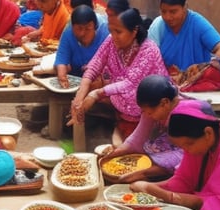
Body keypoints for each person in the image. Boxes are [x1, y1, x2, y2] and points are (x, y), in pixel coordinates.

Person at [68, 8, 169, 141]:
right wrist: (79, 98)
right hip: (122, 96)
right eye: (111, 31)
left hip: (150, 102)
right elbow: (94, 65)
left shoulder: (148, 49)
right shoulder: (112, 40)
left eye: (119, 32)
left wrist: (95, 94)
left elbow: (129, 83)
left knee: (120, 92)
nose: (113, 36)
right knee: (91, 86)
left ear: (134, 32)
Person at [99, 75, 183, 183]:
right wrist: (115, 153)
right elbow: (138, 138)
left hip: (179, 165)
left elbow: (183, 157)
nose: (148, 115)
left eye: (150, 112)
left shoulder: (183, 115)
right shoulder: (155, 108)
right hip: (158, 155)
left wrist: (143, 173)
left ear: (164, 103)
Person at [148, 0, 220, 91]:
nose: (168, 17)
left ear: (185, 7)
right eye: (163, 11)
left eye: (173, 12)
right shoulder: (158, 26)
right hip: (168, 81)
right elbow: (150, 59)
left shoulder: (197, 23)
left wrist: (215, 61)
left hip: (198, 79)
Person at [54, 5, 109, 88]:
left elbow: (113, 66)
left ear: (95, 27)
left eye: (88, 28)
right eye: (79, 29)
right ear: (72, 27)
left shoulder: (106, 35)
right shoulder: (68, 34)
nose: (82, 33)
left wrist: (102, 80)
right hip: (75, 80)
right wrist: (62, 77)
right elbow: (61, 60)